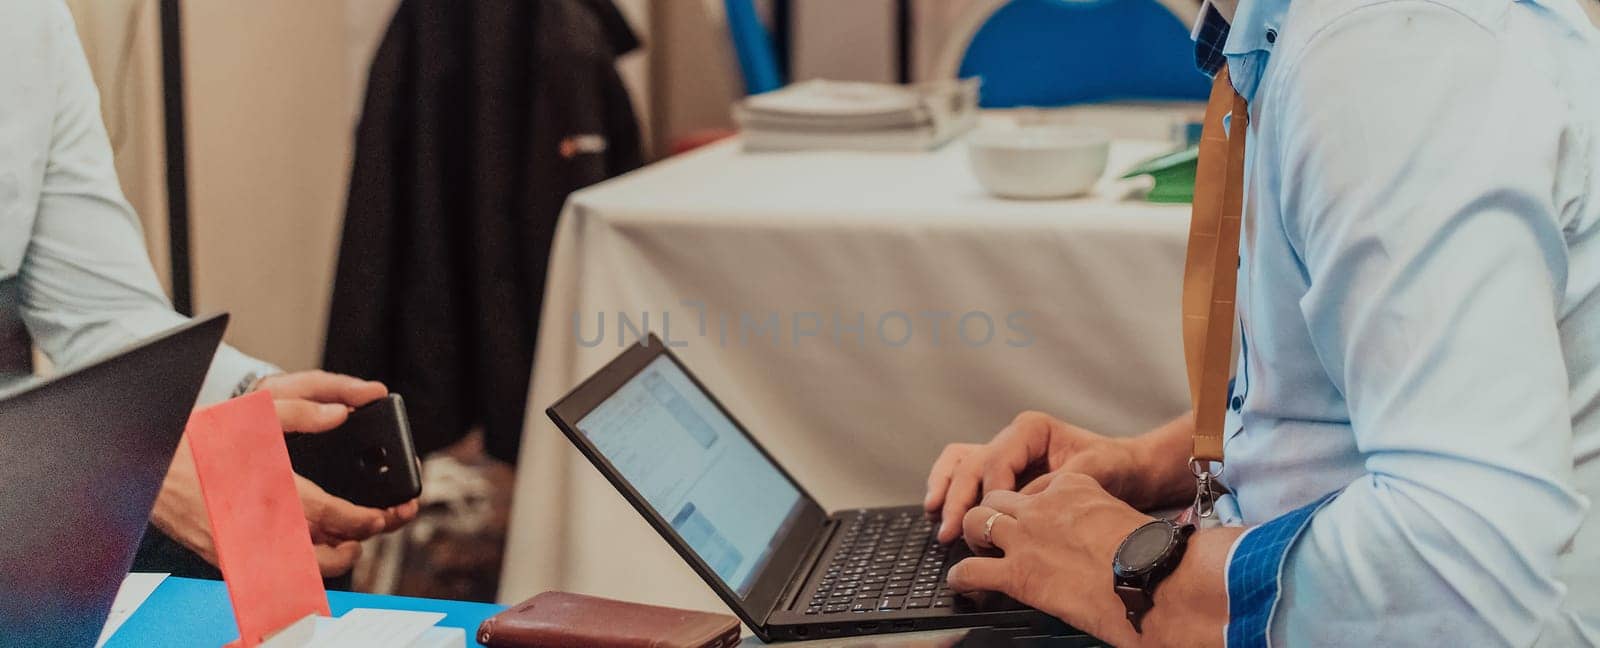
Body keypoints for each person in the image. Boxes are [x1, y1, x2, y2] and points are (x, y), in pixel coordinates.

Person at [926, 0, 1600, 645]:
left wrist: (1127, 569)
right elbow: (1352, 393)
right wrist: (1147, 464)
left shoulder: (1387, 49)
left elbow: (1462, 573)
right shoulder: (1312, 30)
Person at [1, 2, 415, 578]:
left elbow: (99, 310)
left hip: (34, 453)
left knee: (286, 522)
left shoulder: (26, 22)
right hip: (30, 460)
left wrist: (242, 394)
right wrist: (126, 464)